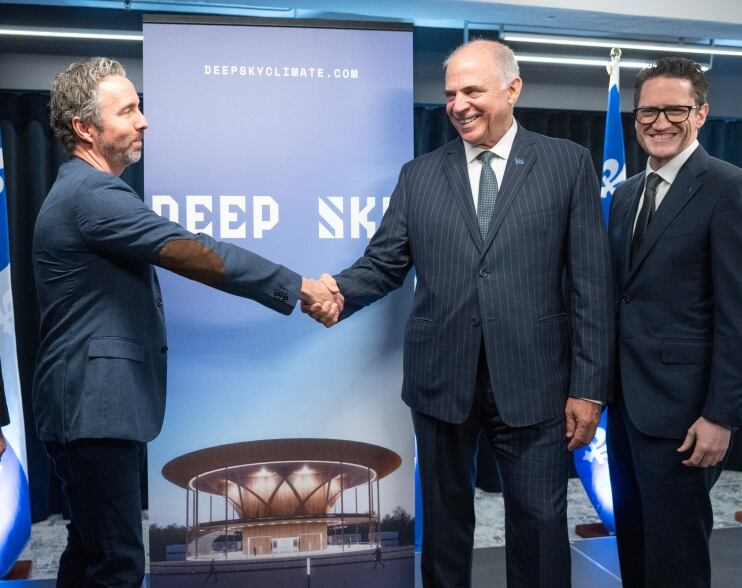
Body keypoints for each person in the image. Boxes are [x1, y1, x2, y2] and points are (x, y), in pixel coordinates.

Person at [306, 39, 613, 587]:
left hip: (536, 380)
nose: (459, 104)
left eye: (472, 90)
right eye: (450, 94)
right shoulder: (420, 175)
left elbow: (590, 284)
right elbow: (384, 263)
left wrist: (588, 388)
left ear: (512, 89)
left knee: (540, 524)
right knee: (445, 526)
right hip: (440, 380)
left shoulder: (567, 164)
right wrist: (338, 292)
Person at [33, 57, 341, 588]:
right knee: (118, 563)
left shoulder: (81, 191)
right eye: (127, 110)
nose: (143, 120)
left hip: (87, 408)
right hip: (92, 407)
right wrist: (300, 286)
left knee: (90, 552)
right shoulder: (92, 194)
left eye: (140, 107)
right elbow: (193, 252)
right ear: (85, 128)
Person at [607, 57, 742, 588]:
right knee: (632, 539)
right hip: (627, 405)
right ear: (634, 118)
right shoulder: (627, 194)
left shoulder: (731, 188)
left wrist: (721, 416)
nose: (660, 122)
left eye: (675, 110)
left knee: (675, 554)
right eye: (648, 111)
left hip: (687, 415)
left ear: (701, 113)